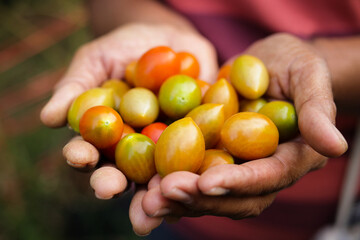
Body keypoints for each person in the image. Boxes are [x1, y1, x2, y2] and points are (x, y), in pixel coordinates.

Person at [40, 0, 360, 239]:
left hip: (323, 214)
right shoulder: (175, 115)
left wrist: (322, 66)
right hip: (174, 212)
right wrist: (141, 20)